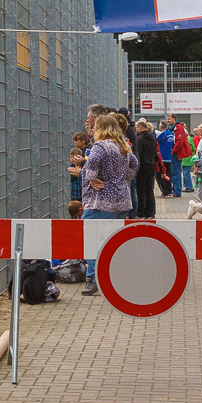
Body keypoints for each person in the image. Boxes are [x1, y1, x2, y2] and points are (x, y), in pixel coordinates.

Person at [80, 112, 138, 296]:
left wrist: (91, 178)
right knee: (112, 241)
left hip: (102, 201)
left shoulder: (100, 146)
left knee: (90, 237)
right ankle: (115, 276)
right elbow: (134, 165)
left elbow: (94, 161)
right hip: (122, 200)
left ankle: (93, 278)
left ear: (101, 129)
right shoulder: (122, 146)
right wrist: (123, 179)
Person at [132, 118, 158, 219]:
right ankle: (150, 213)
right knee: (150, 190)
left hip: (142, 167)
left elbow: (139, 154)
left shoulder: (139, 139)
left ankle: (140, 212)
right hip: (151, 166)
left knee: (141, 191)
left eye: (136, 127)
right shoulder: (153, 138)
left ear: (140, 127)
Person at [170, 117, 195, 195]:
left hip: (176, 154)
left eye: (169, 118)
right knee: (176, 172)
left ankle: (177, 190)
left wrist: (173, 151)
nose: (168, 120)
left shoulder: (178, 127)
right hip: (176, 153)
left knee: (177, 172)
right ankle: (176, 189)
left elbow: (179, 141)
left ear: (174, 119)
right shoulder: (173, 128)